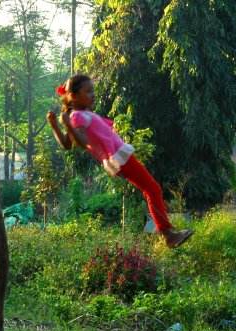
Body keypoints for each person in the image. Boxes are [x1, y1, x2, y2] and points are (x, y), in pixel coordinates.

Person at [47, 74, 193, 248]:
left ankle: (167, 233)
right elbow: (80, 143)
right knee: (152, 189)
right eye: (88, 91)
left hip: (120, 156)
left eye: (93, 91)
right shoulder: (76, 117)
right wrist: (63, 126)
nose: (93, 95)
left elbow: (66, 143)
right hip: (118, 157)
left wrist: (56, 125)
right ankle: (168, 234)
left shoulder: (82, 114)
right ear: (74, 95)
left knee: (151, 190)